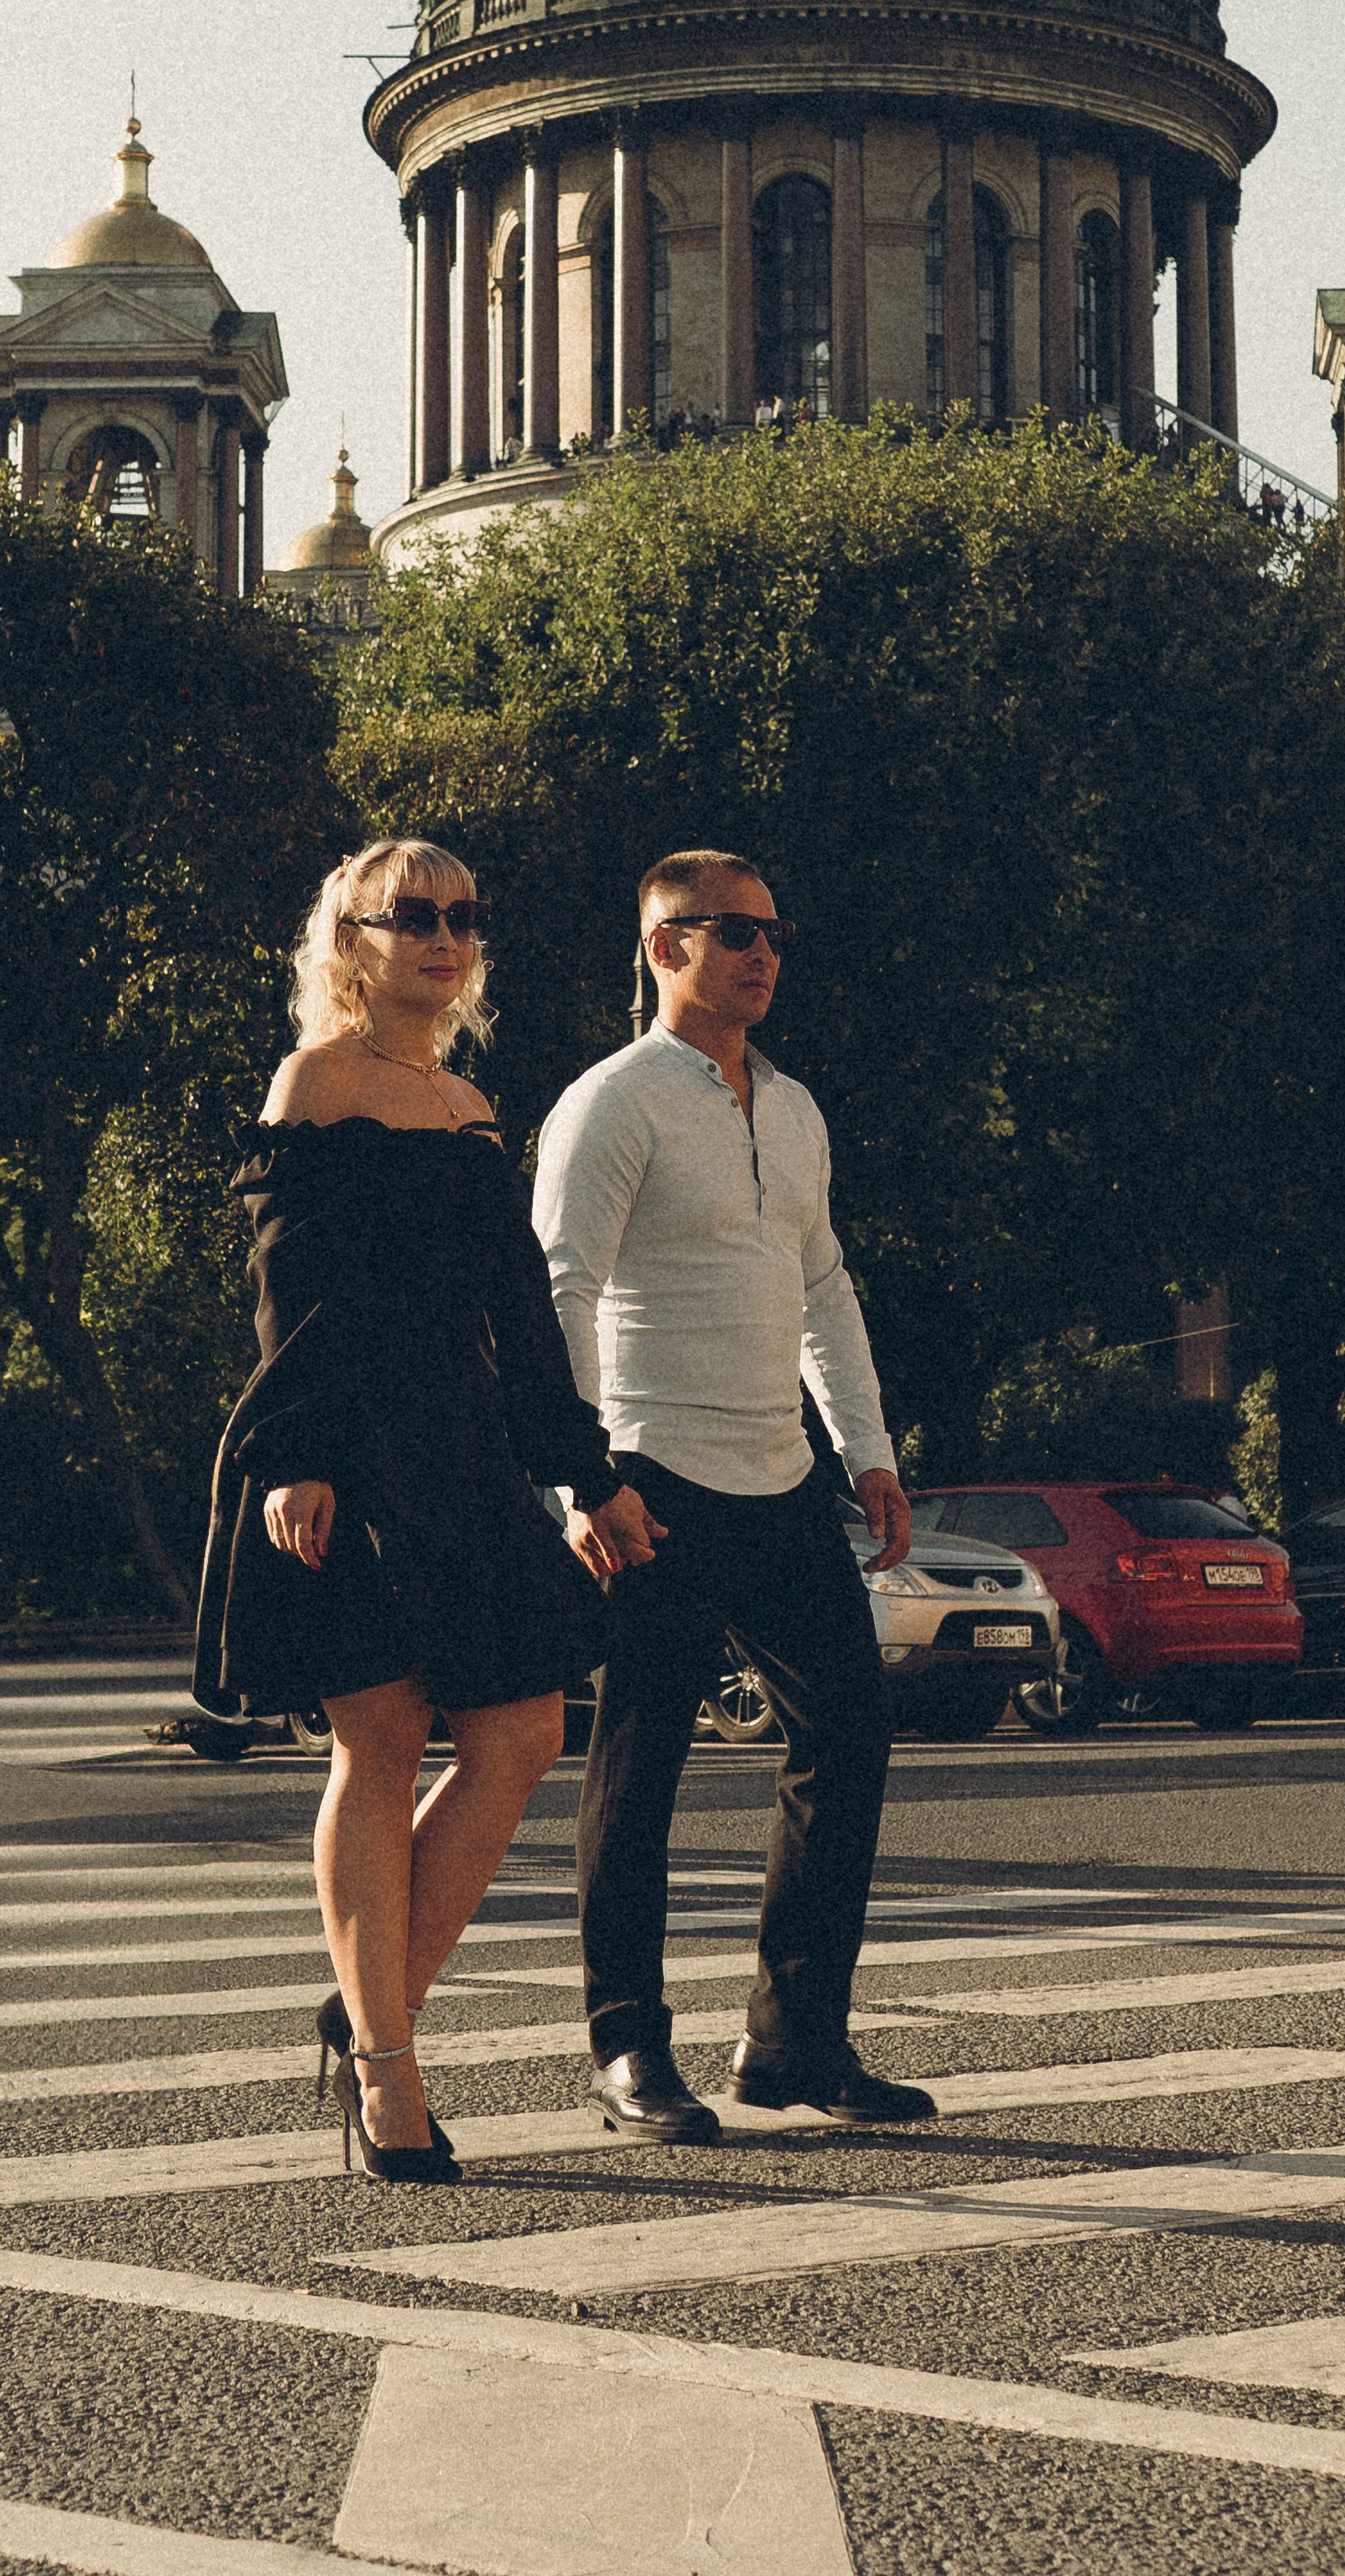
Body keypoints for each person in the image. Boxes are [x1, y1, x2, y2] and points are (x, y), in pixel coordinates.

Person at [191, 837, 657, 2181]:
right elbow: (290, 1290)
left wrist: (586, 1473)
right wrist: (298, 1456)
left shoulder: (466, 1107)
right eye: (415, 916)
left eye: (464, 916)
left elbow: (518, 1315)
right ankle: (391, 2074)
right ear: (355, 939)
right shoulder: (318, 1083)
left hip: (465, 1448)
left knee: (522, 1728)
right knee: (383, 1736)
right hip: (345, 1443)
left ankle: (365, 2011)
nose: (445, 938)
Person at [533, 847, 937, 2143]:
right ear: (666, 946)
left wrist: (865, 1448)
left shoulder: (796, 1108)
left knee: (849, 1729)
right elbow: (560, 1291)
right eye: (733, 932)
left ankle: (795, 2044)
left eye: (774, 934)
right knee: (640, 1763)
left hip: (780, 1474)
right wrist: (582, 1480)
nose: (763, 955)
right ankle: (628, 2050)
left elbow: (822, 1285)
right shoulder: (612, 1103)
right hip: (650, 1476)